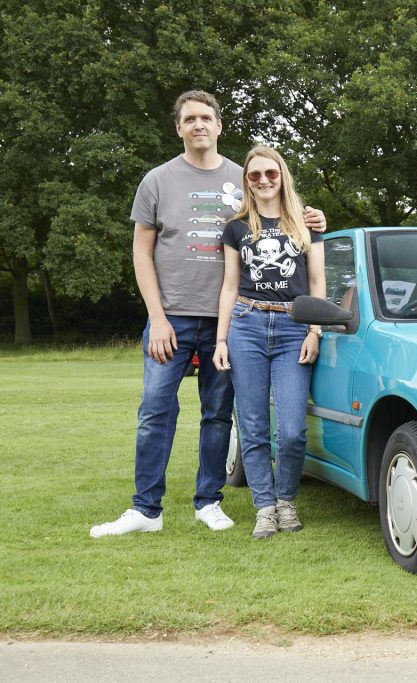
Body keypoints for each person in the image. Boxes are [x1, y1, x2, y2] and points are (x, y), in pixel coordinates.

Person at [91, 91, 326, 538]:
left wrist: (314, 218)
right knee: (155, 410)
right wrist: (156, 317)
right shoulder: (157, 181)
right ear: (178, 128)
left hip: (230, 320)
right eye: (189, 119)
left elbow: (288, 216)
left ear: (219, 126)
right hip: (174, 317)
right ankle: (146, 509)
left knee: (218, 414)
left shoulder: (246, 177)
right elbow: (141, 254)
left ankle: (209, 500)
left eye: (206, 118)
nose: (198, 124)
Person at [214, 145, 326, 539]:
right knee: (253, 424)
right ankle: (265, 506)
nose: (263, 180)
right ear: (247, 180)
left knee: (292, 430)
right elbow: (229, 286)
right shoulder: (236, 226)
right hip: (246, 323)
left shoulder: (308, 224)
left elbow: (317, 284)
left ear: (283, 176)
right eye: (255, 174)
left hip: (294, 327)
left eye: (271, 173)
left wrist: (315, 329)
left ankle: (286, 500)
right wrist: (221, 339)